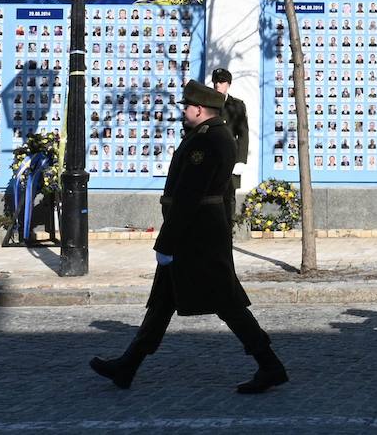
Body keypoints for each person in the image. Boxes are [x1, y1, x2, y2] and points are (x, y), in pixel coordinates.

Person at [89, 80, 288, 394]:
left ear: (198, 109)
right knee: (163, 302)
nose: (183, 111)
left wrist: (166, 241)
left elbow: (189, 195)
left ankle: (269, 364)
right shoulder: (209, 135)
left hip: (198, 236)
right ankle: (127, 365)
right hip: (198, 232)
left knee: (227, 302)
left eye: (186, 107)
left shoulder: (208, 140)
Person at [211, 68, 249, 229]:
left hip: (230, 158)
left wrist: (240, 160)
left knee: (229, 196)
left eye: (221, 82)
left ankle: (228, 229)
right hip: (211, 157)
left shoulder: (237, 105)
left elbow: (243, 134)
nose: (218, 85)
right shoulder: (208, 103)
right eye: (216, 82)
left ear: (229, 84)